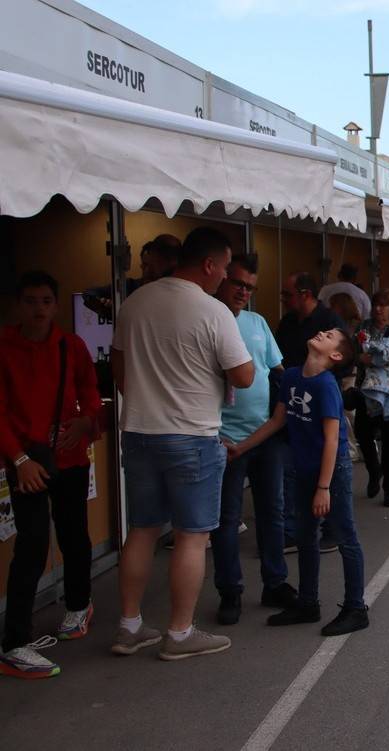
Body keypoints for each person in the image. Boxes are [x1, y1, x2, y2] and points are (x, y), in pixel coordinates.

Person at [111, 226, 253, 660]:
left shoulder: (136, 301)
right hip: (191, 435)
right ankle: (179, 632)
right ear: (209, 265)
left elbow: (118, 368)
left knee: (142, 530)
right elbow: (244, 375)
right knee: (192, 537)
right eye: (226, 268)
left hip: (138, 431)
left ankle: (129, 625)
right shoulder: (213, 312)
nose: (226, 276)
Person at [230, 328, 369, 636]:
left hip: (332, 472)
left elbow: (332, 441)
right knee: (306, 537)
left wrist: (323, 487)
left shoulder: (326, 386)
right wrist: (241, 447)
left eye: (330, 335)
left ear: (335, 355)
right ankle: (307, 602)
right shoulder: (292, 376)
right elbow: (277, 422)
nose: (322, 332)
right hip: (302, 469)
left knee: (346, 536)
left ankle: (356, 607)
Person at [0, 272, 103, 679]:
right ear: (17, 305)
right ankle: (15, 641)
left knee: (74, 532)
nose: (39, 308)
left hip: (70, 455)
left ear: (56, 306)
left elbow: (89, 390)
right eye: (30, 301)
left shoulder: (70, 345)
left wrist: (86, 421)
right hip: (26, 459)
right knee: (32, 544)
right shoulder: (4, 346)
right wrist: (18, 458)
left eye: (46, 300)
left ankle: (79, 604)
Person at [210, 254, 296, 628]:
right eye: (239, 284)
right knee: (226, 520)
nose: (244, 292)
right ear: (223, 280)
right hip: (223, 439)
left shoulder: (258, 322)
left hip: (266, 436)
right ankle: (230, 592)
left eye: (250, 287)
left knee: (272, 512)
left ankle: (274, 583)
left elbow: (277, 371)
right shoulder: (208, 321)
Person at [276, 273, 345, 553]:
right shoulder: (288, 323)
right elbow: (278, 357)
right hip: (294, 396)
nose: (283, 300)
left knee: (327, 460)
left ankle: (332, 527)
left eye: (287, 295)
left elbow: (344, 355)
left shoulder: (329, 321)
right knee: (294, 467)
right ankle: (296, 529)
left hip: (322, 403)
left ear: (305, 294)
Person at [353, 289, 389, 508]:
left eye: (384, 305)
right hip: (366, 389)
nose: (379, 309)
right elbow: (353, 352)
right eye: (376, 304)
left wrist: (381, 360)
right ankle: (373, 469)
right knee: (362, 432)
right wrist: (361, 358)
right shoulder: (363, 327)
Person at [83, 234, 180, 318]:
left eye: (151, 265)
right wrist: (105, 305)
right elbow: (89, 293)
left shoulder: (169, 292)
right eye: (145, 264)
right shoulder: (130, 286)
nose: (147, 269)